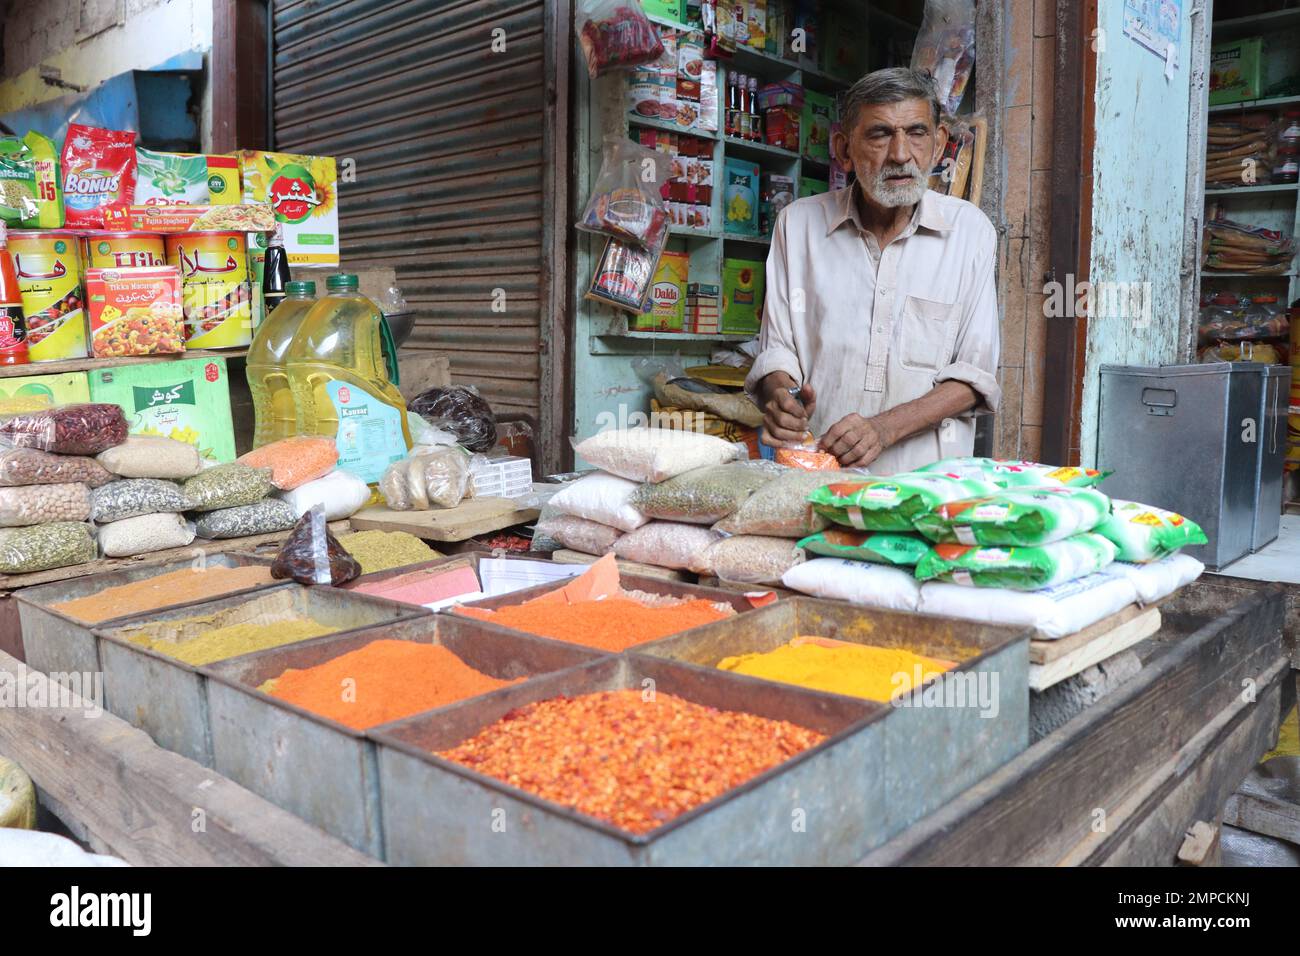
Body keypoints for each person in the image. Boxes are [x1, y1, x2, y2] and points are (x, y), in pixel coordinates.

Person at [746, 67, 1000, 473]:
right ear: (844, 149)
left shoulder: (970, 233)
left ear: (938, 145)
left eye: (916, 133)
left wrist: (885, 429)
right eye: (880, 134)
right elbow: (778, 349)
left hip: (926, 490)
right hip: (818, 476)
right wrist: (781, 397)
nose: (900, 154)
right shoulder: (797, 225)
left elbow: (973, 376)